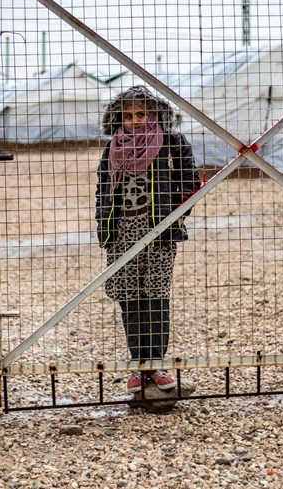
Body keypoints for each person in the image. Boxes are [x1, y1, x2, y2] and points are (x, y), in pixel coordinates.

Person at [96, 85, 199, 394]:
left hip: (159, 232)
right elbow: (103, 187)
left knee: (155, 296)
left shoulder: (171, 142)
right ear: (119, 118)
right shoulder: (113, 146)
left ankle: (156, 364)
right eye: (128, 116)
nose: (135, 121)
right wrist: (104, 223)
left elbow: (191, 181)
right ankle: (138, 366)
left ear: (156, 113)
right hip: (122, 232)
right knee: (130, 298)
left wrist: (179, 215)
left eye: (142, 114)